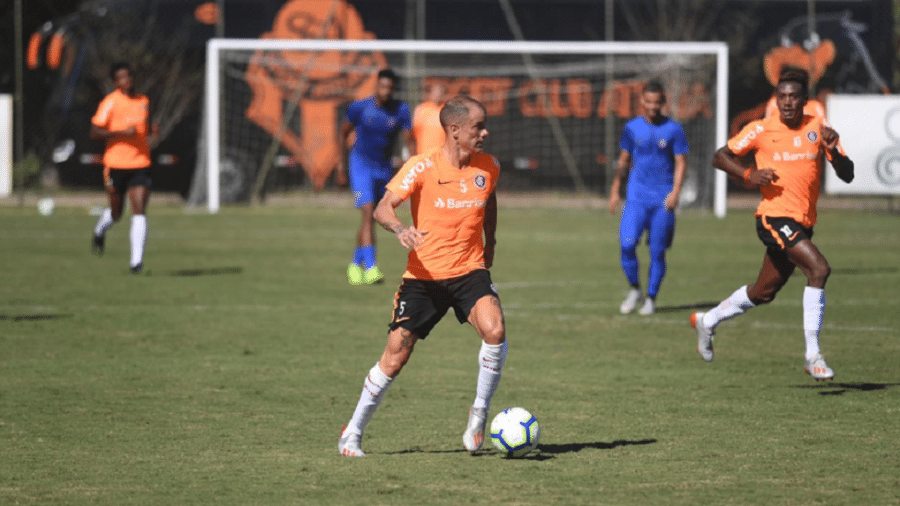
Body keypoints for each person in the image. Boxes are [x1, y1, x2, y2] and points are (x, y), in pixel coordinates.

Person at [338, 95, 505, 457]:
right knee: (395, 357)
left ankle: (478, 415)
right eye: (479, 126)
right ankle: (352, 432)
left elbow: (489, 202)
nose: (485, 132)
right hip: (423, 277)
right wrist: (399, 229)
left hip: (469, 270)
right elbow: (384, 207)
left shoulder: (488, 166)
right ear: (454, 130)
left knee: (495, 330)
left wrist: (490, 243)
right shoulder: (421, 166)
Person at [692, 68, 854, 380]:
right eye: (782, 97)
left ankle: (708, 320)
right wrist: (748, 175)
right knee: (818, 269)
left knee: (763, 292)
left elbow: (847, 174)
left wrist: (833, 150)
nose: (788, 102)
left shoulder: (818, 128)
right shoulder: (760, 129)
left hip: (801, 223)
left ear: (805, 100)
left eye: (794, 97)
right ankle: (813, 354)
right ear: (775, 100)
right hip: (773, 217)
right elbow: (720, 156)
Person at [608, 81, 689, 315]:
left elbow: (681, 163)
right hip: (636, 197)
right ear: (642, 101)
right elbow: (623, 160)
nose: (653, 106)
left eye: (657, 102)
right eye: (648, 101)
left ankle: (651, 298)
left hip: (662, 199)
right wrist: (615, 190)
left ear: (663, 103)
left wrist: (675, 192)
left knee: (657, 251)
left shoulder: (674, 130)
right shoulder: (632, 128)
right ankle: (635, 289)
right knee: (627, 244)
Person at [338, 68, 413, 285]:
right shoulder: (360, 108)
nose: (386, 91)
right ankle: (371, 268)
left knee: (371, 218)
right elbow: (342, 134)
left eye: (390, 88)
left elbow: (410, 141)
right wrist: (342, 167)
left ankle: (355, 263)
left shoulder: (401, 110)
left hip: (384, 169)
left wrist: (413, 166)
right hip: (360, 165)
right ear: (376, 86)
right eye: (382, 86)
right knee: (368, 211)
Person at [90, 62, 159, 274]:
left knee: (139, 210)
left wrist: (153, 135)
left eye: (128, 76)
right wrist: (121, 133)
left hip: (140, 163)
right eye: (120, 78)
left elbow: (149, 128)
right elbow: (94, 132)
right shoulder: (110, 102)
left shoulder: (144, 101)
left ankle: (135, 263)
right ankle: (100, 230)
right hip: (116, 165)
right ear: (115, 82)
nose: (126, 81)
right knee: (117, 213)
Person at [412, 82, 447, 155]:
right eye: (435, 92)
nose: (438, 95)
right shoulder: (421, 109)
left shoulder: (446, 110)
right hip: (423, 154)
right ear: (430, 93)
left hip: (440, 156)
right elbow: (414, 134)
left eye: (440, 92)